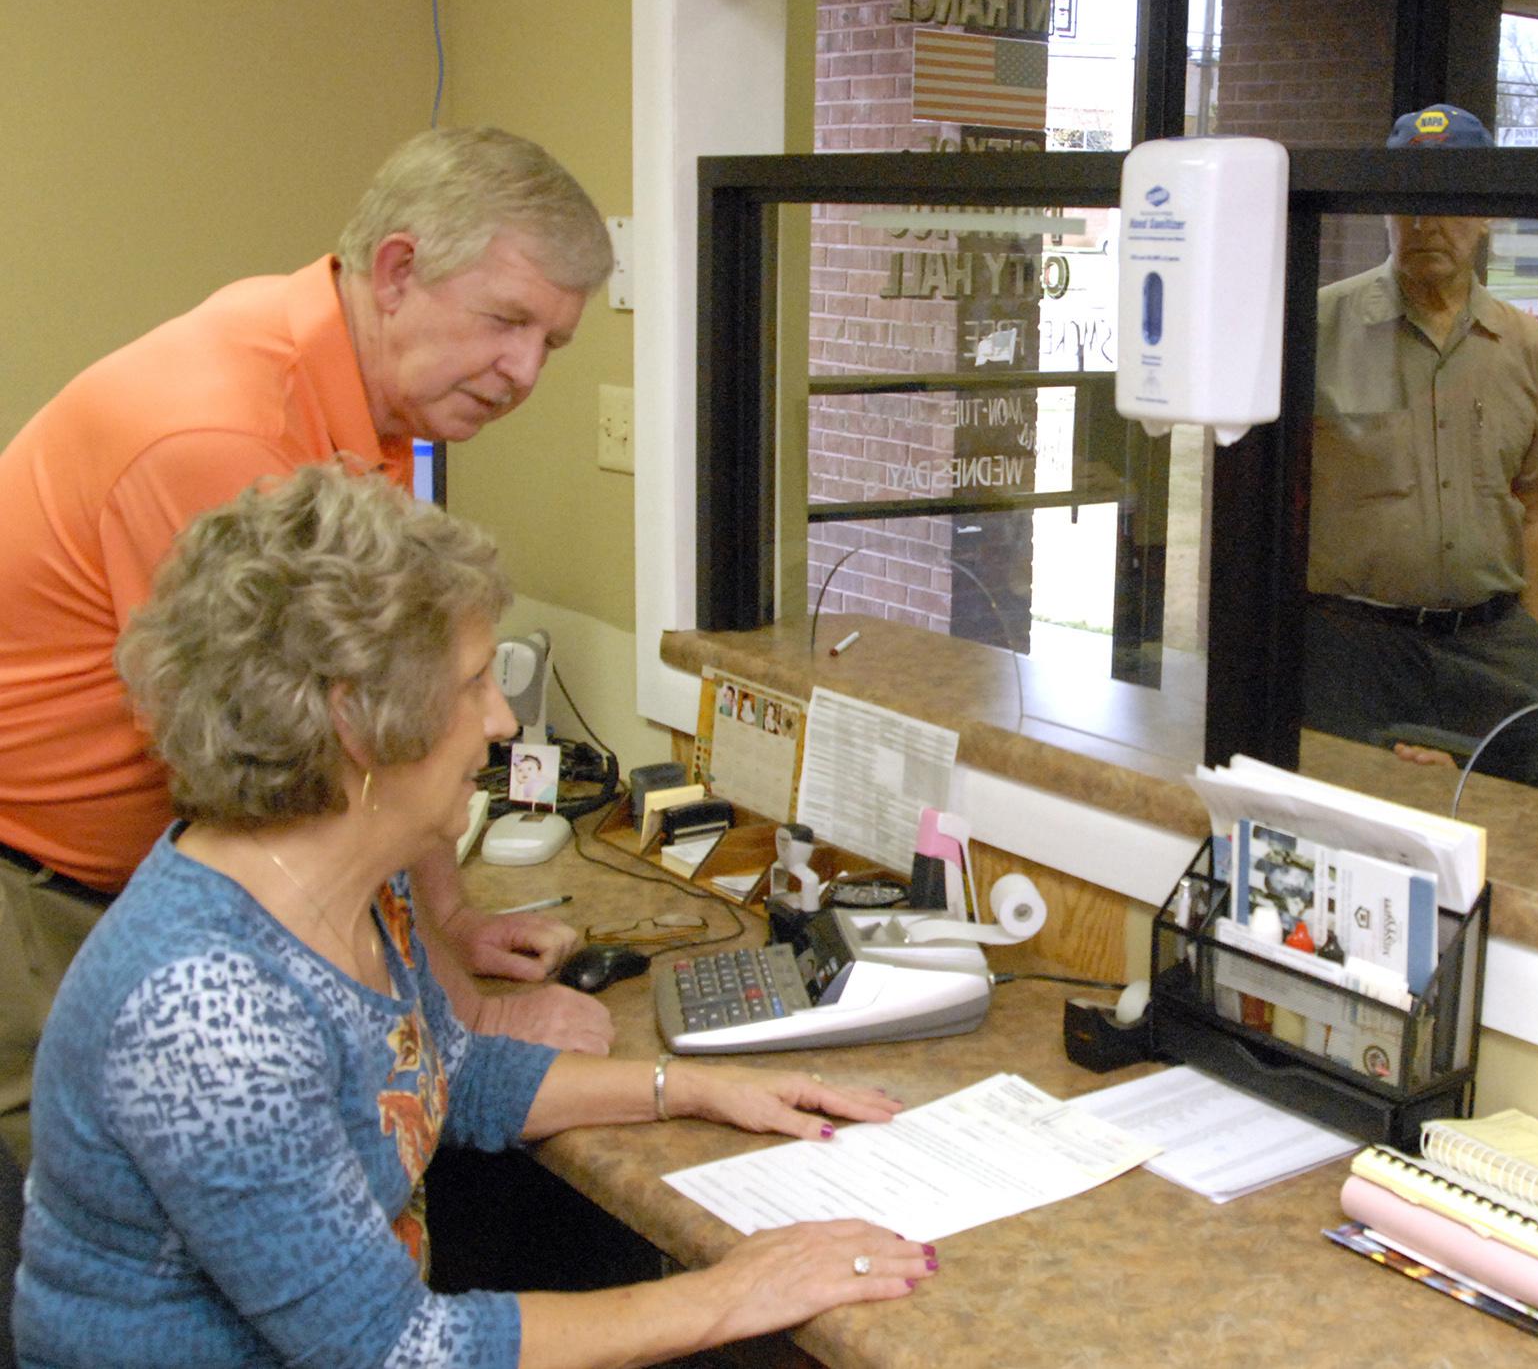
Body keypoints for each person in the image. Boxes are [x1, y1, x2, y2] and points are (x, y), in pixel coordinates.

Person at [12, 466, 934, 1368]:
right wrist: (731, 1292)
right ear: (357, 721)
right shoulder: (209, 1011)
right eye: (472, 683)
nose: (500, 719)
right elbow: (396, 1350)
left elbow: (444, 1070)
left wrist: (692, 1088)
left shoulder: (357, 881)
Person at [0, 127, 616, 1163]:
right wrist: (463, 1025)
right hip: (42, 902)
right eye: (506, 321)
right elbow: (318, 775)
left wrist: (453, 924)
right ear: (397, 271)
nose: (522, 372)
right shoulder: (223, 435)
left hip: (157, 881)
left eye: (550, 343)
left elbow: (394, 702)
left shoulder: (347, 392)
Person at [1305, 102, 1538, 789]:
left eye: (1448, 200)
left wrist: (1535, 643)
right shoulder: (1316, 328)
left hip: (1490, 643)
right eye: (1407, 202)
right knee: (1351, 809)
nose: (1426, 224)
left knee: (1524, 787)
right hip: (1351, 644)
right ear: (1383, 210)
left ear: (1487, 210)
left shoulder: (1529, 349)